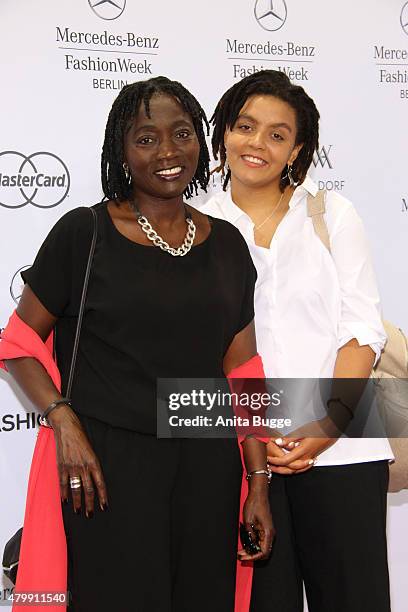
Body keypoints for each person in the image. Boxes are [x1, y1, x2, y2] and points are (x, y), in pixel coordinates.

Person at [2, 76, 273, 612]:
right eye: (146, 139)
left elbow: (244, 371)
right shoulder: (85, 233)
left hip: (208, 466)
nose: (168, 152)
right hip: (107, 468)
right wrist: (64, 421)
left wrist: (258, 483)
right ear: (121, 153)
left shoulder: (228, 245)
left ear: (200, 140)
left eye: (181, 134)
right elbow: (17, 342)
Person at [200, 70, 393, 612]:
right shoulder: (198, 226)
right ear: (224, 134)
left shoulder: (332, 214)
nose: (257, 143)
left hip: (344, 443)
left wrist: (328, 424)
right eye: (245, 126)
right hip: (242, 456)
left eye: (277, 134)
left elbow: (361, 329)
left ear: (297, 150)